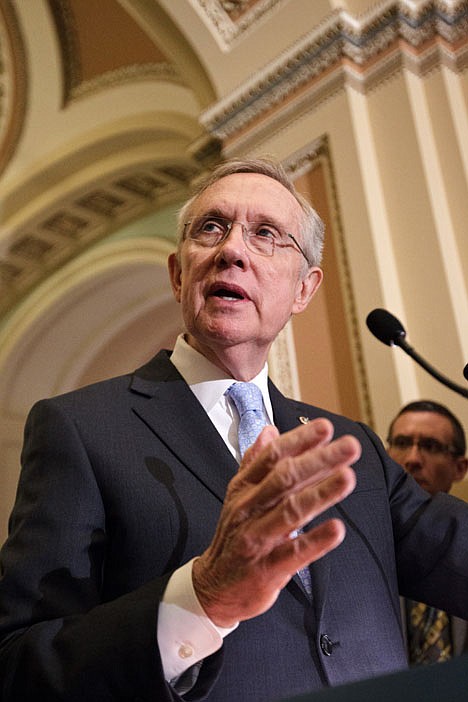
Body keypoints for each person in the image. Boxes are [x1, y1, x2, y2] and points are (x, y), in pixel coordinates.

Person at [1, 158, 468, 702]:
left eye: (266, 234)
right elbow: (17, 667)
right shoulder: (81, 428)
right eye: (211, 228)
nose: (232, 250)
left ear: (304, 290)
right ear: (179, 274)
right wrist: (200, 600)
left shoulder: (352, 447)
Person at [387, 400, 468, 665]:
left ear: (460, 467)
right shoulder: (370, 548)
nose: (412, 459)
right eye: (401, 443)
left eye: (430, 447)